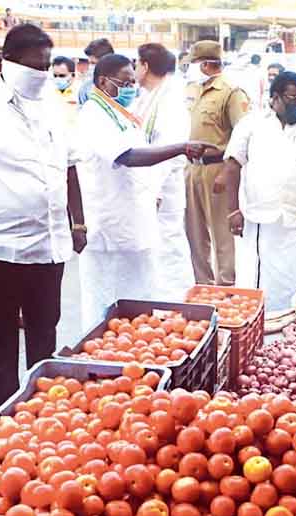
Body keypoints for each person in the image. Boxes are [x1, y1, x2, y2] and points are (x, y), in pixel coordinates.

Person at [0, 24, 86, 409]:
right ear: (8, 61)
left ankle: (40, 413)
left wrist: (78, 221)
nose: (41, 74)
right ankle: (4, 418)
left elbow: (70, 167)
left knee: (44, 335)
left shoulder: (54, 104)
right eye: (33, 66)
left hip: (49, 247)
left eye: (46, 66)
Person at [77, 54, 220, 328]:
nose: (132, 87)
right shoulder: (93, 115)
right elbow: (127, 156)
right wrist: (181, 147)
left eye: (133, 81)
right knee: (108, 306)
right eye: (125, 82)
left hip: (133, 223)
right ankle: (108, 361)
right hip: (111, 229)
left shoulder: (118, 113)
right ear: (104, 82)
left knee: (138, 302)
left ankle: (134, 353)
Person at [219, 71, 296, 311]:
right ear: (275, 98)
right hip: (263, 219)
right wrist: (232, 210)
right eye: (293, 98)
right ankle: (262, 328)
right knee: (262, 282)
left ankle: (295, 329)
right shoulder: (251, 124)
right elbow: (232, 165)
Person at [133, 43, 196, 300]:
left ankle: (176, 302)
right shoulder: (148, 96)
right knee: (155, 247)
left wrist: (155, 190)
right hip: (150, 186)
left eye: (136, 63)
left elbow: (169, 150)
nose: (134, 69)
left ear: (146, 66)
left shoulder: (169, 101)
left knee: (169, 245)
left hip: (163, 187)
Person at [184, 40, 249, 286]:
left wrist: (228, 171)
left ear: (206, 65)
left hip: (217, 169)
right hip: (192, 168)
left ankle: (225, 288)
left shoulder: (231, 92)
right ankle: (203, 286)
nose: (189, 68)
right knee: (195, 232)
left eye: (193, 63)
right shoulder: (191, 89)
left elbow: (242, 135)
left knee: (222, 233)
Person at [78, 38, 114, 105]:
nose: (91, 67)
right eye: (90, 63)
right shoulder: (86, 87)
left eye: (94, 63)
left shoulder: (124, 88)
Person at [51, 56, 78, 125]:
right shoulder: (48, 92)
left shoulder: (80, 93)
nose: (57, 79)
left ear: (72, 75)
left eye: (62, 76)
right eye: (55, 75)